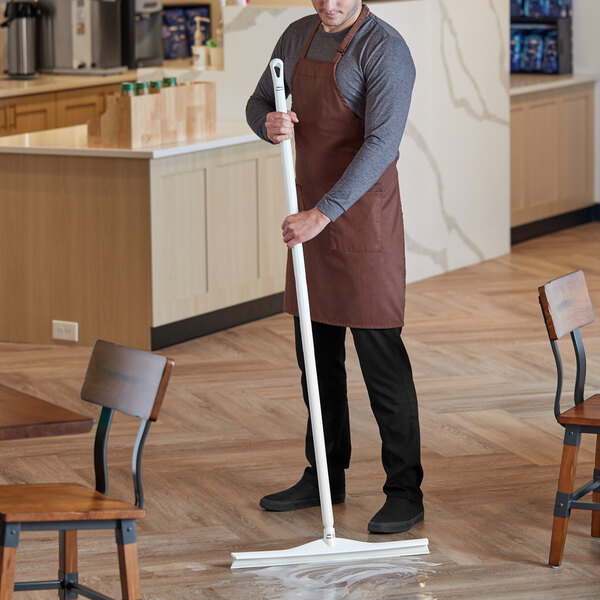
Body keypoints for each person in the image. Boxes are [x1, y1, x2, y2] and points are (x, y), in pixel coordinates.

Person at [246, 0, 423, 534]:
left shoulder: (385, 49)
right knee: (316, 363)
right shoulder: (296, 36)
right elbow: (258, 102)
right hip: (310, 223)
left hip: (362, 224)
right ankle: (323, 475)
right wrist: (268, 123)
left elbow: (382, 145)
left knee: (382, 367)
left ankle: (405, 492)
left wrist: (323, 215)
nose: (329, 4)